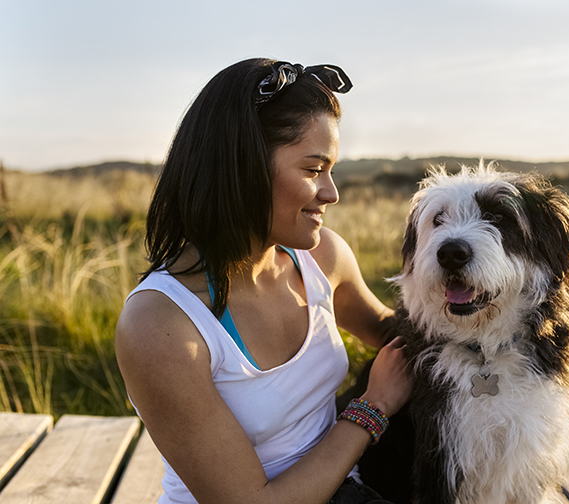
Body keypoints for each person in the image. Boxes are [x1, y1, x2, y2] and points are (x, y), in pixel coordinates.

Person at [115, 58, 413, 504]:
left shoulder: (322, 257)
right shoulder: (161, 325)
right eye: (314, 170)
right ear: (243, 167)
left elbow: (401, 337)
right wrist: (372, 408)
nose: (332, 192)